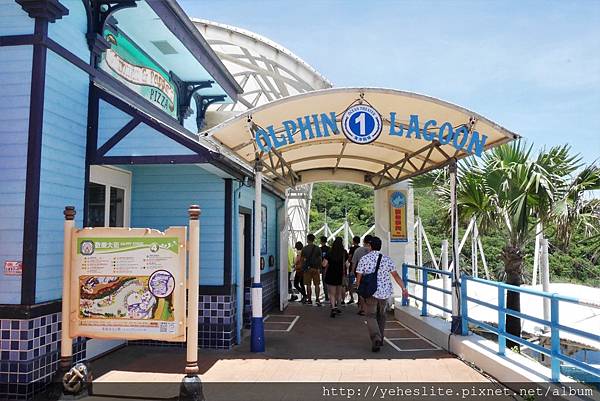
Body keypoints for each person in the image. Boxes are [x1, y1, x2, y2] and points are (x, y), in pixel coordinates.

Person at [355, 236, 409, 352]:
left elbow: (359, 275)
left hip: (371, 292)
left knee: (370, 315)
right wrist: (403, 288)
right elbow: (395, 276)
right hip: (385, 293)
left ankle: (376, 338)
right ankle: (381, 338)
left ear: (370, 246)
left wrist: (358, 287)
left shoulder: (364, 259)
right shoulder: (387, 259)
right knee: (382, 315)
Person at [323, 237, 347, 318]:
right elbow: (347, 264)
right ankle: (338, 307)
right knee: (339, 293)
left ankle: (333, 308)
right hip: (340, 275)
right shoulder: (344, 253)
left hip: (331, 274)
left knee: (332, 294)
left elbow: (324, 264)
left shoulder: (330, 252)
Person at [351, 235, 372, 315]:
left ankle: (363, 308)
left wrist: (352, 272)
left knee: (361, 291)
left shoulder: (358, 250)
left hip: (360, 274)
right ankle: (370, 308)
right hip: (371, 274)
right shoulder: (374, 251)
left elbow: (354, 262)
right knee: (371, 290)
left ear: (364, 242)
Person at [301, 234, 322, 306]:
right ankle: (317, 299)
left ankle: (309, 299)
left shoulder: (304, 249)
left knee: (308, 285)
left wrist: (303, 268)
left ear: (307, 239)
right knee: (317, 284)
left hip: (307, 269)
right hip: (316, 269)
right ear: (313, 239)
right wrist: (319, 268)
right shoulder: (317, 248)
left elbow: (302, 260)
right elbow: (320, 259)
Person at [343, 236, 361, 304]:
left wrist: (348, 262)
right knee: (359, 283)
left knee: (350, 283)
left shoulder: (352, 248)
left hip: (352, 268)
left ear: (353, 241)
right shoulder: (360, 249)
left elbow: (350, 257)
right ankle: (359, 299)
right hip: (359, 267)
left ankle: (352, 298)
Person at [319, 236, 330, 302]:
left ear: (321, 241)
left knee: (324, 282)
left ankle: (326, 296)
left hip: (322, 267)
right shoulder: (329, 249)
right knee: (329, 282)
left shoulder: (319, 249)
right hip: (329, 267)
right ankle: (329, 295)